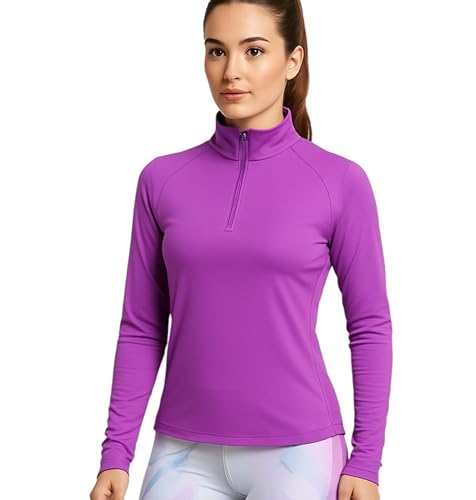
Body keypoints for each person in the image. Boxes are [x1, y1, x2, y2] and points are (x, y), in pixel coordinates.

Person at [89, 1, 393, 499]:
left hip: (300, 452)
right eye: (217, 51)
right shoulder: (162, 180)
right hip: (182, 451)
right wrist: (116, 452)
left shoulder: (339, 181)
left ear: (292, 60)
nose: (231, 71)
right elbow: (142, 326)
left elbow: (370, 326)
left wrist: (366, 460)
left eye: (254, 51)